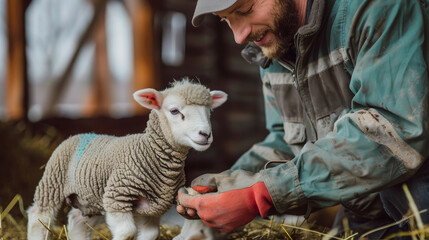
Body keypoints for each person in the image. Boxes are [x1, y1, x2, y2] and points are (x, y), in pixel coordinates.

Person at [176, 0, 429, 238]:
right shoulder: (275, 45)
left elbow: (393, 130)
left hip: (417, 196)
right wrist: (231, 184)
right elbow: (291, 142)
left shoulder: (375, 7)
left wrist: (261, 195)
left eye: (245, 10)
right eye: (226, 20)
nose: (239, 36)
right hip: (370, 206)